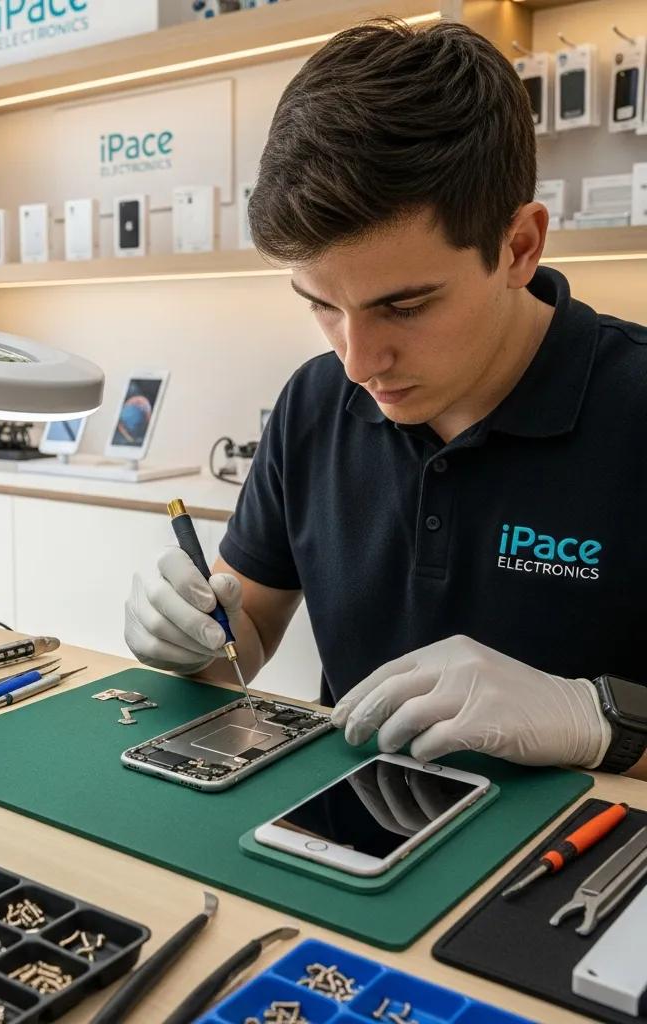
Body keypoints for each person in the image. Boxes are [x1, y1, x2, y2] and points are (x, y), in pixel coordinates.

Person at [124, 18, 647, 776]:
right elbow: (246, 638)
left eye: (404, 306)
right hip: (348, 833)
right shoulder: (313, 402)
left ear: (520, 248)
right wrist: (190, 640)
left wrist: (599, 722)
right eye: (322, 305)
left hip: (579, 865)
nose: (360, 361)